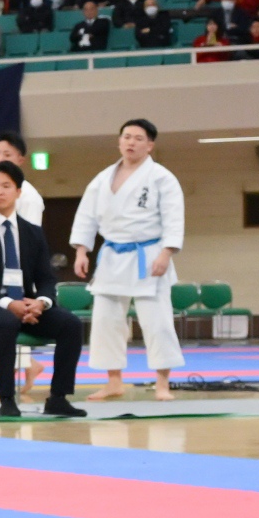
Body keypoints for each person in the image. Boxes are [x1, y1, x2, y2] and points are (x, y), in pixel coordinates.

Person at [0, 161, 86, 418]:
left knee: (71, 324)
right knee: (5, 322)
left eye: (6, 186)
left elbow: (46, 278)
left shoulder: (32, 232)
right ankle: (7, 400)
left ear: (18, 192)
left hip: (26, 306)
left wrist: (41, 302)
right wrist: (8, 304)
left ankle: (58, 398)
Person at [69, 118, 185, 401]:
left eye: (138, 138)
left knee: (157, 322)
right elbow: (86, 216)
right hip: (112, 255)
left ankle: (162, 384)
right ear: (119, 141)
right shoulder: (102, 178)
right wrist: (82, 250)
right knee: (106, 321)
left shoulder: (161, 177)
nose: (131, 142)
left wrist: (166, 252)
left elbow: (174, 217)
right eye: (126, 137)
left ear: (150, 145)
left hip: (149, 255)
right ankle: (113, 381)